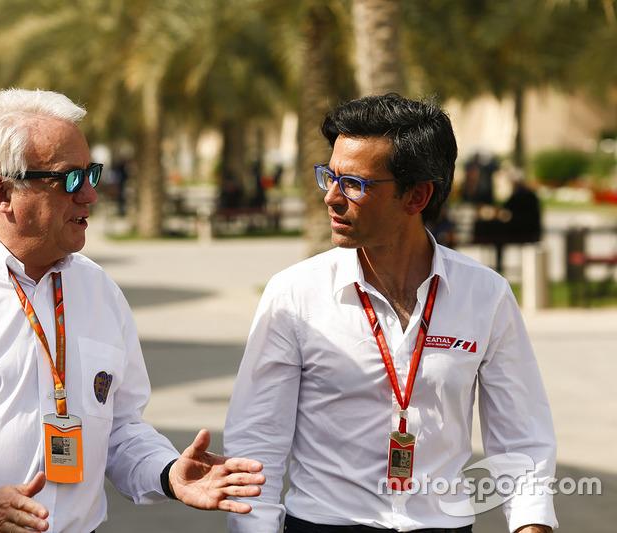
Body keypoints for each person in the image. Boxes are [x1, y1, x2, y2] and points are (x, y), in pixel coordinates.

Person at [0, 88, 265, 533]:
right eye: (70, 179)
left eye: (92, 173)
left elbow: (118, 428)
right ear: (2, 193)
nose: (92, 195)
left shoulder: (98, 289)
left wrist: (167, 473)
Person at [224, 94, 556, 533]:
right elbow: (256, 441)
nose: (331, 197)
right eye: (329, 176)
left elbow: (522, 436)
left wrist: (532, 525)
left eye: (354, 184)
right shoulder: (294, 293)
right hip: (326, 524)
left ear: (416, 196)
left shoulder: (485, 294)